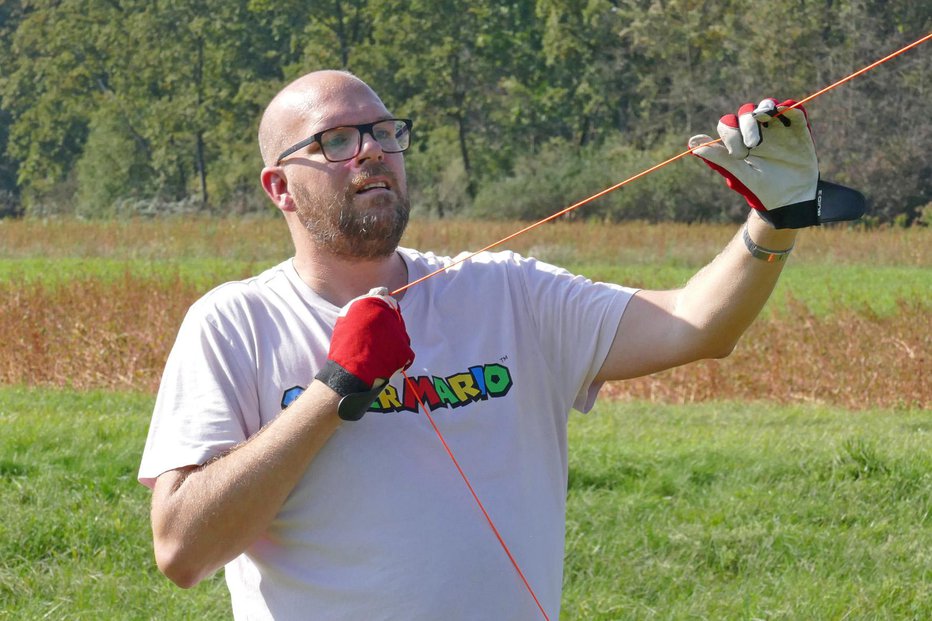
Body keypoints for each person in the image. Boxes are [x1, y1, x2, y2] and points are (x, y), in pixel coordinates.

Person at [138, 70, 862, 620]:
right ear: (280, 188)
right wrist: (333, 389)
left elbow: (698, 325)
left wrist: (776, 219)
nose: (371, 153)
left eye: (384, 132)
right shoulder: (233, 322)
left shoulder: (505, 292)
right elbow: (181, 548)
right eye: (335, 140)